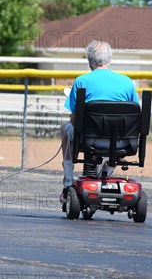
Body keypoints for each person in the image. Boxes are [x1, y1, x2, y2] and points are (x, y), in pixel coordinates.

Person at [59, 40, 138, 203]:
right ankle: (105, 172)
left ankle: (68, 182)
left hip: (90, 140)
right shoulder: (127, 82)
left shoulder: (81, 81)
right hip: (121, 142)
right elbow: (135, 116)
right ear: (109, 59)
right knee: (117, 135)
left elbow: (74, 120)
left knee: (64, 128)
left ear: (90, 61)